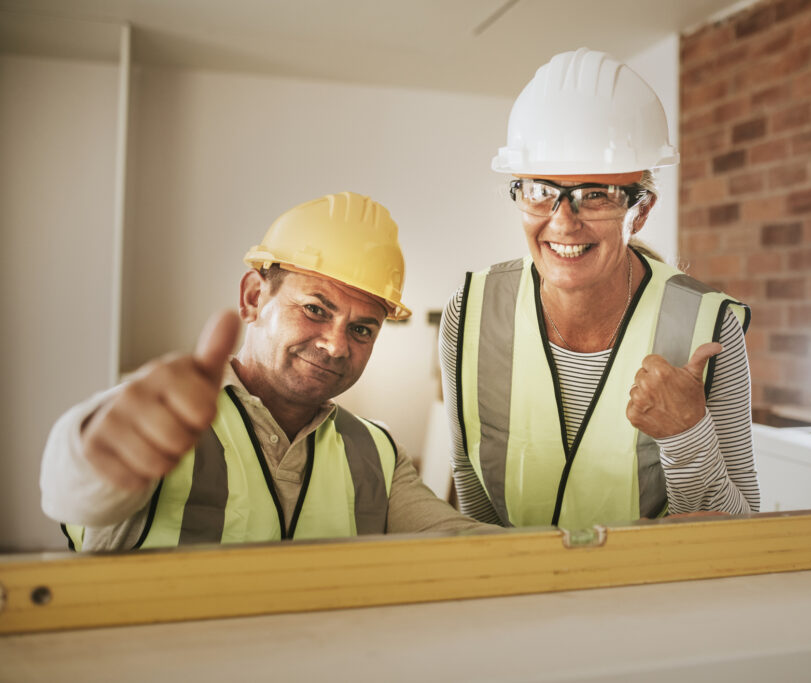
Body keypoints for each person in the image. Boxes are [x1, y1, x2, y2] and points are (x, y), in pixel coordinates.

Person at [41, 192, 491, 551]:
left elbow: (462, 546)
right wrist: (96, 454)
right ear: (254, 298)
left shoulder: (378, 452)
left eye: (361, 328)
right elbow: (73, 494)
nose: (336, 345)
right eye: (315, 309)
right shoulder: (163, 421)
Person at [440, 48, 759, 529]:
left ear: (642, 209)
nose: (563, 222)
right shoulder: (470, 313)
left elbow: (743, 531)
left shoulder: (708, 329)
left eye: (595, 195)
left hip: (654, 595)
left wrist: (687, 436)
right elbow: (472, 484)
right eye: (541, 190)